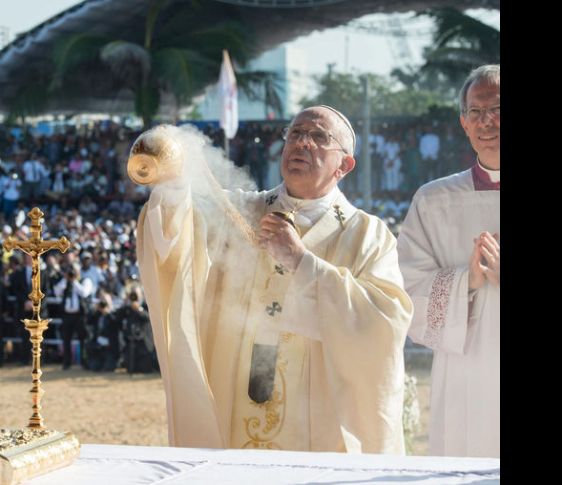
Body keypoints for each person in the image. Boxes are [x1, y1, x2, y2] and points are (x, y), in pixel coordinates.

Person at [135, 106, 412, 452]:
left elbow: (386, 321)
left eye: (319, 137)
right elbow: (175, 241)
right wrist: (172, 184)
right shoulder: (239, 212)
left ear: (345, 165)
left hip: (318, 423)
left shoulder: (367, 234)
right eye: (295, 134)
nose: (302, 143)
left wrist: (302, 262)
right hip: (235, 399)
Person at [396, 65, 500, 458]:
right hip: (464, 374)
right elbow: (404, 286)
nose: (487, 121)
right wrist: (466, 281)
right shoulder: (434, 200)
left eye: (497, 108)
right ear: (463, 123)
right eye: (476, 112)